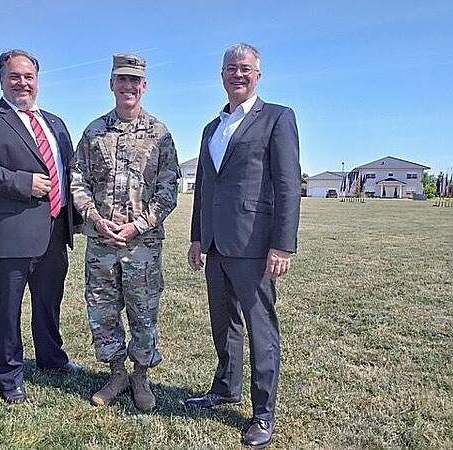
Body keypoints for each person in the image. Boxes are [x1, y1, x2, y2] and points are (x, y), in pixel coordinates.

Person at [185, 43, 301, 448]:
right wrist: (197, 237)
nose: (238, 74)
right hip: (216, 244)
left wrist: (282, 245)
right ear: (221, 75)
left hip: (255, 244)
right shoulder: (211, 128)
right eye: (231, 68)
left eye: (245, 68)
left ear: (258, 75)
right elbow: (205, 186)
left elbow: (288, 186)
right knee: (224, 323)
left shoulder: (277, 118)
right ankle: (225, 388)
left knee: (260, 329)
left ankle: (263, 413)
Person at [0, 49, 82, 404]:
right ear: (1, 80)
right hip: (11, 232)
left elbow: (70, 172)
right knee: (6, 309)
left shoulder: (55, 122)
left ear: (37, 80)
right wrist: (23, 182)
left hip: (55, 231)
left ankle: (52, 358)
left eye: (29, 76)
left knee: (49, 303)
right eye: (14, 76)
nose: (22, 83)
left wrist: (78, 218)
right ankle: (8, 374)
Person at [71, 53, 179, 411]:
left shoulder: (160, 134)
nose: (128, 86)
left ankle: (141, 376)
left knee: (143, 312)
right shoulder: (93, 132)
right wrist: (95, 219)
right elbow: (78, 181)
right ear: (111, 84)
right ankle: (117, 373)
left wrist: (137, 225)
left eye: (135, 80)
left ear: (144, 86)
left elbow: (168, 190)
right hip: (102, 244)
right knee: (102, 311)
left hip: (142, 246)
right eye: (122, 79)